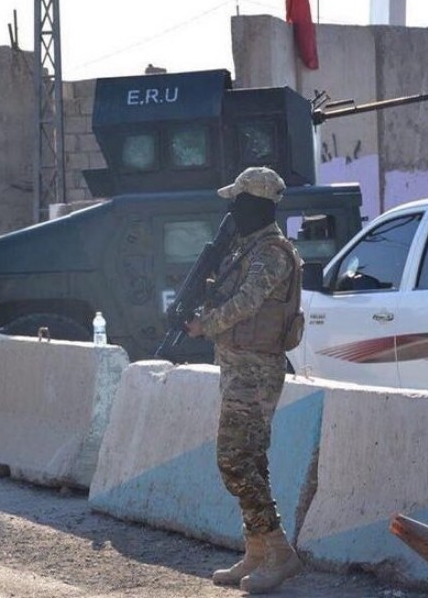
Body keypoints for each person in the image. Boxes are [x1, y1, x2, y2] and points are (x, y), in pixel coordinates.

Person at [185, 166, 304, 594]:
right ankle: (257, 551)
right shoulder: (246, 248)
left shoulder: (272, 252)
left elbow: (248, 302)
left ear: (255, 203)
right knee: (251, 461)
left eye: (238, 201)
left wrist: (206, 325)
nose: (232, 210)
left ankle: (280, 552)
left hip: (256, 372)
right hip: (238, 367)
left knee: (234, 460)